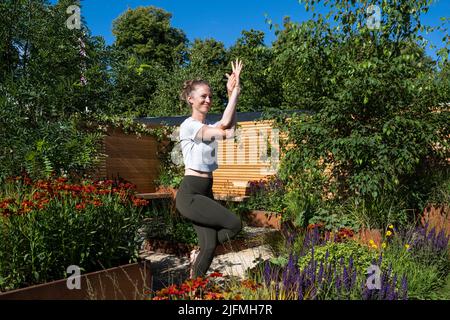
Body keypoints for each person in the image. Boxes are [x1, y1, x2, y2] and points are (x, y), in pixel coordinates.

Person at [175, 59, 244, 279]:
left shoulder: (209, 126)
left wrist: (234, 95)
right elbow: (225, 125)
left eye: (210, 96)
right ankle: (196, 268)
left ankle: (193, 290)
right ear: (190, 99)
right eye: (203, 96)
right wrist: (234, 92)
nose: (208, 99)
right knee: (234, 224)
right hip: (191, 193)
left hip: (206, 190)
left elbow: (229, 129)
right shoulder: (189, 126)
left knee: (208, 246)